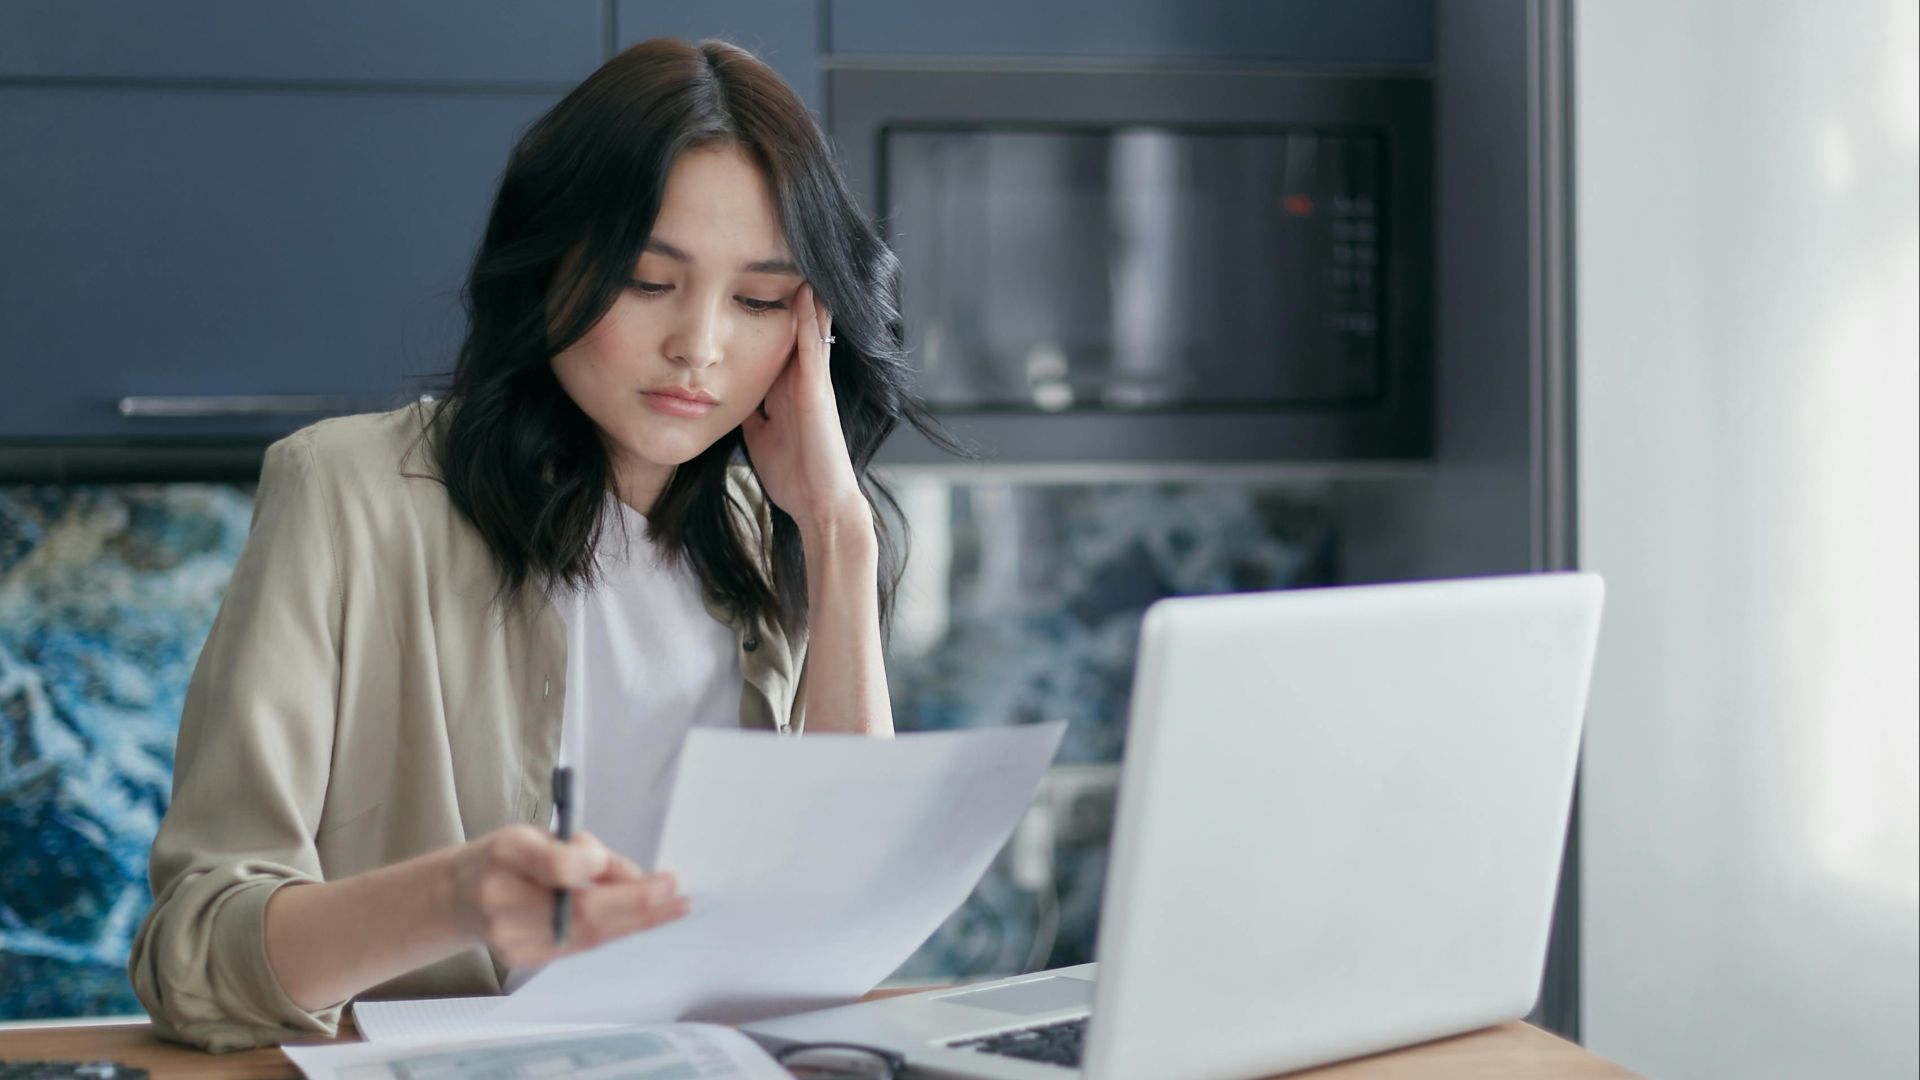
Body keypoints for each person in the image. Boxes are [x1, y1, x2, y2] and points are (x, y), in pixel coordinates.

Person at [128, 38, 949, 1052]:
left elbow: (845, 931)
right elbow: (194, 962)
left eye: (759, 301)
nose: (700, 345)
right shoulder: (348, 493)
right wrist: (457, 895)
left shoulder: (772, 535)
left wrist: (838, 532)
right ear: (551, 263)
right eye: (650, 281)